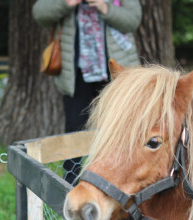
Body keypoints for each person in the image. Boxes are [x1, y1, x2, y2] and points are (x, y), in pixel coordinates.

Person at [33, 0, 142, 183]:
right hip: (76, 75)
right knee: (75, 128)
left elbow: (133, 20)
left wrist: (104, 7)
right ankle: (70, 185)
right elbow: (40, 14)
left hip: (116, 73)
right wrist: (67, 3)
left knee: (119, 129)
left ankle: (119, 183)